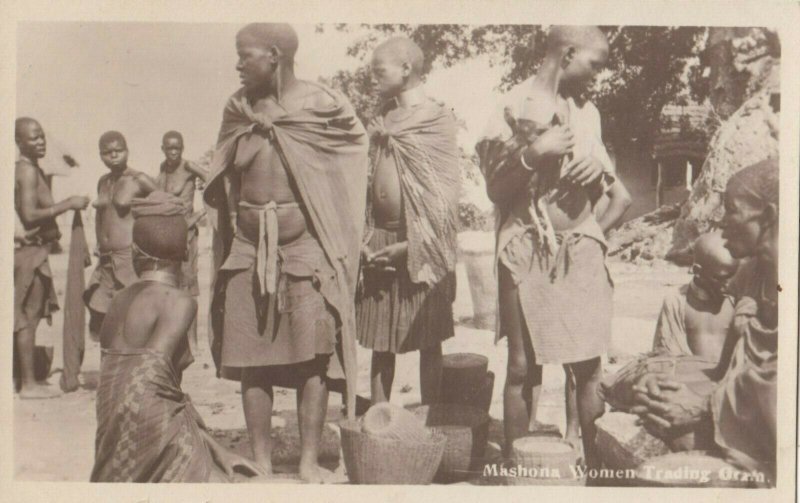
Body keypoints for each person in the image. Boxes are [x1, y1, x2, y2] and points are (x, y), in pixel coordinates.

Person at [203, 23, 368, 482]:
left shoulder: (321, 106)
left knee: (311, 357)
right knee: (250, 354)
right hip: (247, 248)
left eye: (245, 55)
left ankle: (309, 460)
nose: (238, 65)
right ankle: (260, 457)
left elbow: (352, 153)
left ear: (274, 55)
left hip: (305, 249)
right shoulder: (238, 108)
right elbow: (224, 168)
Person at [475, 26, 632, 468]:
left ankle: (596, 467)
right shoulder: (511, 106)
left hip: (578, 249)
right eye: (595, 64)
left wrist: (593, 174)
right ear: (567, 53)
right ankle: (517, 469)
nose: (598, 75)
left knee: (586, 366)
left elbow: (606, 183)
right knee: (523, 367)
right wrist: (534, 152)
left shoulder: (587, 112)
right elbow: (495, 190)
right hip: (524, 247)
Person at [91, 191, 262, 482]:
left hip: (109, 430)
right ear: (186, 253)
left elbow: (145, 389)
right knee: (224, 483)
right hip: (148, 426)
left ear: (134, 253)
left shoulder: (118, 300)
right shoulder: (179, 302)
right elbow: (152, 389)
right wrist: (212, 450)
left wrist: (216, 448)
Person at [631, 158, 778, 483]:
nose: (723, 222)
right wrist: (661, 384)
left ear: (768, 217)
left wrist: (705, 408)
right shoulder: (752, 275)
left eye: (732, 210)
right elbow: (724, 370)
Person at [357, 37, 460, 405]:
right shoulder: (384, 119)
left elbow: (444, 198)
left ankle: (431, 421)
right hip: (381, 241)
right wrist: (367, 237)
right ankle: (380, 422)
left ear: (405, 69)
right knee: (380, 342)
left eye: (378, 70)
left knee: (428, 339)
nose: (372, 77)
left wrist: (412, 245)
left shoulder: (435, 117)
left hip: (420, 243)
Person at [14, 117, 90, 398]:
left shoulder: (34, 169)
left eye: (42, 136)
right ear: (19, 142)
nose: (41, 141)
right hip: (29, 253)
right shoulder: (27, 171)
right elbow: (29, 214)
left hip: (37, 251)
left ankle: (27, 380)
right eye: (34, 138)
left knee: (30, 314)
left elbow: (59, 158)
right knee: (27, 316)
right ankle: (28, 384)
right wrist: (68, 204)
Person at [84, 131, 158, 340]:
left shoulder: (140, 179)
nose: (114, 155)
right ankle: (111, 367)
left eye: (119, 150)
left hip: (128, 259)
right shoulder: (103, 181)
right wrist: (98, 243)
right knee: (102, 314)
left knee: (132, 315)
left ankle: (133, 367)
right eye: (107, 152)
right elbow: (101, 215)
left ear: (127, 151)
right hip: (106, 259)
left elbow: (167, 206)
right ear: (100, 155)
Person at [155, 130, 209, 351]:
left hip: (187, 232)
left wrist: (201, 213)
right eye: (169, 148)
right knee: (169, 282)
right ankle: (174, 337)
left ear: (183, 148)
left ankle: (193, 341)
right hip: (168, 232)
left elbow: (212, 177)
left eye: (177, 148)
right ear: (163, 149)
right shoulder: (162, 169)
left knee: (188, 285)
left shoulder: (189, 167)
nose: (173, 152)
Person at [652, 230, 739, 362]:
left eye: (732, 276)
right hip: (690, 378)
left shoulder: (737, 300)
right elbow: (665, 353)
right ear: (697, 271)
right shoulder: (677, 302)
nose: (728, 284)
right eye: (720, 278)